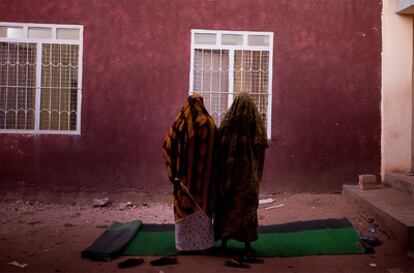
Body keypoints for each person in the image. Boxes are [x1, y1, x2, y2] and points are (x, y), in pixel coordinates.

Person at [214, 92, 268, 257]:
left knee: (226, 206)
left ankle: (223, 242)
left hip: (228, 175)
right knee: (247, 208)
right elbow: (261, 144)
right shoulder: (255, 122)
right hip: (247, 175)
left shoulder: (228, 122)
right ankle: (247, 245)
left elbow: (219, 142)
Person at [162, 93, 217, 252]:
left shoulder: (180, 123)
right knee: (203, 209)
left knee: (184, 210)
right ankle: (204, 245)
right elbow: (217, 150)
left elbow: (167, 145)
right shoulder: (210, 123)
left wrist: (174, 171)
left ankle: (183, 246)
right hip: (204, 182)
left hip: (183, 180)